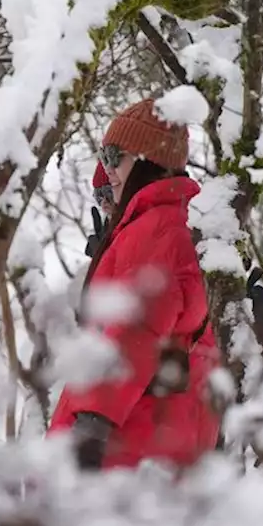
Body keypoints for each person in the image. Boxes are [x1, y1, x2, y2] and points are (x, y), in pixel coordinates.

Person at [48, 98, 222, 472]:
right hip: (144, 438)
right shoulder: (157, 225)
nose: (107, 169)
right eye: (104, 157)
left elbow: (137, 329)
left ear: (147, 159)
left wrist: (95, 418)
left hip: (129, 444)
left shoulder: (158, 229)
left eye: (114, 156)